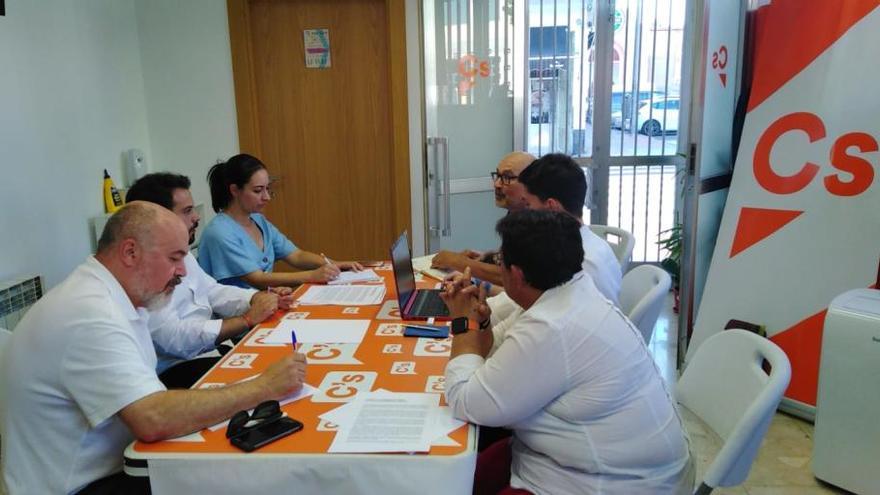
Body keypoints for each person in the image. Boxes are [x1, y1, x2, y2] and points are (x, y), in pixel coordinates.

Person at [0, 202, 307, 494]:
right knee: (247, 479)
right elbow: (152, 419)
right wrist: (264, 387)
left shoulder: (114, 296)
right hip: (81, 486)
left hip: (111, 465)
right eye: (174, 259)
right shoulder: (91, 313)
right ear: (130, 252)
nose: (184, 272)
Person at [441, 210, 692, 495]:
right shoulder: (569, 290)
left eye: (501, 261)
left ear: (516, 274)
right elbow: (495, 345)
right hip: (596, 463)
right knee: (461, 472)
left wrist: (464, 323)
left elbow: (465, 400)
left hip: (612, 483)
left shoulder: (553, 325)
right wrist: (479, 319)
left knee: (453, 474)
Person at [125, 172, 295, 388]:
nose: (196, 217)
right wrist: (245, 320)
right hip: (176, 370)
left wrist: (257, 298)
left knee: (284, 362)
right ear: (158, 218)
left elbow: (212, 290)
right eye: (187, 211)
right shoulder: (142, 268)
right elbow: (173, 340)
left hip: (208, 352)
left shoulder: (182, 252)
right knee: (275, 382)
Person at [197, 153, 362, 289]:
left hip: (266, 304)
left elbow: (296, 255)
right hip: (237, 318)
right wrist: (313, 276)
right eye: (258, 190)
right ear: (234, 190)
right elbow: (257, 278)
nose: (266, 197)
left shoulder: (258, 221)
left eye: (267, 189)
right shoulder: (219, 233)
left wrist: (336, 264)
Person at [516, 152, 622, 305]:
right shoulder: (587, 243)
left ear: (552, 207)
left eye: (528, 205)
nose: (524, 212)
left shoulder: (579, 264)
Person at [430, 151, 536, 286]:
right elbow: (515, 260)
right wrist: (490, 257)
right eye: (497, 175)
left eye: (507, 177)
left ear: (532, 185)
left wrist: (459, 262)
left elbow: (511, 277)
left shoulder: (538, 224)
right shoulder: (515, 214)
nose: (497, 184)